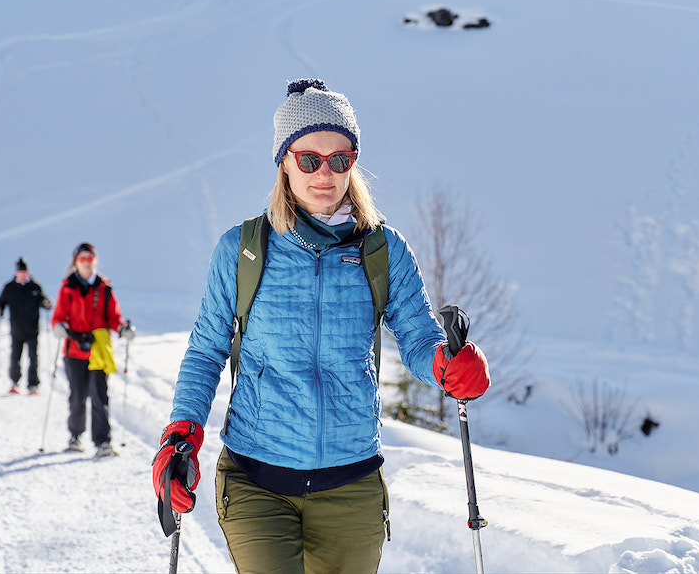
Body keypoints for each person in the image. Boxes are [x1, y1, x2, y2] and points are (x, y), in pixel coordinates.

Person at [151, 79, 491, 574]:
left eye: (340, 158)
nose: (324, 173)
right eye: (308, 158)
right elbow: (206, 351)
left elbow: (419, 337)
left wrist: (447, 365)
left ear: (353, 162)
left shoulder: (381, 249)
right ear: (284, 161)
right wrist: (182, 431)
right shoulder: (243, 249)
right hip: (256, 478)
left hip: (351, 484)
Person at [51, 242, 135, 457]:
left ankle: (102, 442)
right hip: (74, 350)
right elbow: (58, 317)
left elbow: (114, 317)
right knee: (77, 396)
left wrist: (123, 329)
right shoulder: (67, 287)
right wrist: (59, 327)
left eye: (90, 258)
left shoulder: (104, 288)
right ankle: (75, 436)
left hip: (98, 352)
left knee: (99, 396)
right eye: (82, 259)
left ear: (95, 261)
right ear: (75, 262)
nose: (86, 263)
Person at [0, 257, 52, 395]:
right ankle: (14, 382)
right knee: (15, 357)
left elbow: (44, 301)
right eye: (20, 272)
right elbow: (1, 302)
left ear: (27, 273)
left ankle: (33, 385)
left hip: (32, 329)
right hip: (16, 329)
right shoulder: (9, 287)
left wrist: (46, 303)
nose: (22, 275)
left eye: (24, 272)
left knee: (33, 357)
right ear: (16, 273)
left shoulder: (35, 287)